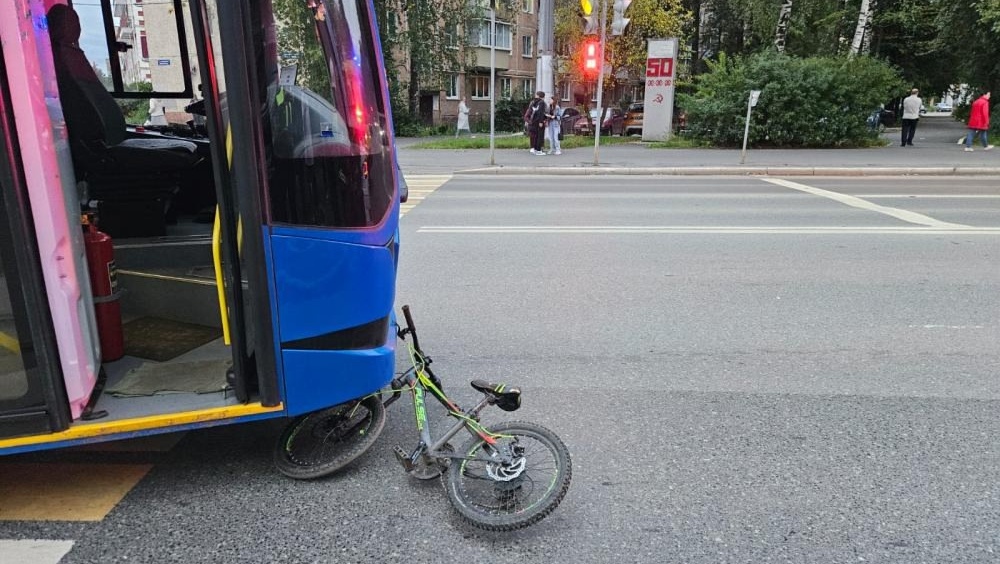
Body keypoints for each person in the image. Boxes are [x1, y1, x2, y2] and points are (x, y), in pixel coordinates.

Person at [526, 91, 548, 155]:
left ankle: (535, 149)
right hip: (539, 121)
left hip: (534, 121)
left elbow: (535, 112)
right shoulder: (542, 102)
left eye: (536, 95)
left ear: (538, 96)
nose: (535, 96)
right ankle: (539, 150)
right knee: (539, 136)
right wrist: (541, 121)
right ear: (543, 96)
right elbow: (540, 113)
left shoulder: (534, 102)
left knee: (536, 136)